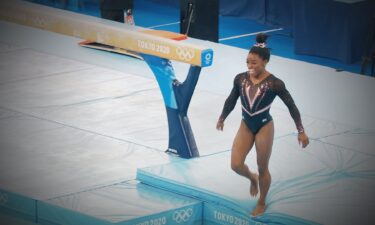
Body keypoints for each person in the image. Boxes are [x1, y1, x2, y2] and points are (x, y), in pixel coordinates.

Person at [216, 33, 309, 217]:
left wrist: (301, 131)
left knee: (262, 167)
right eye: (248, 63)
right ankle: (252, 178)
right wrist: (222, 117)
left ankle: (261, 201)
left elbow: (292, 106)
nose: (250, 67)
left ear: (265, 62)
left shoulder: (275, 83)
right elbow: (231, 99)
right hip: (246, 124)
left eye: (254, 63)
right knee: (235, 165)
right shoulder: (240, 79)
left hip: (264, 126)